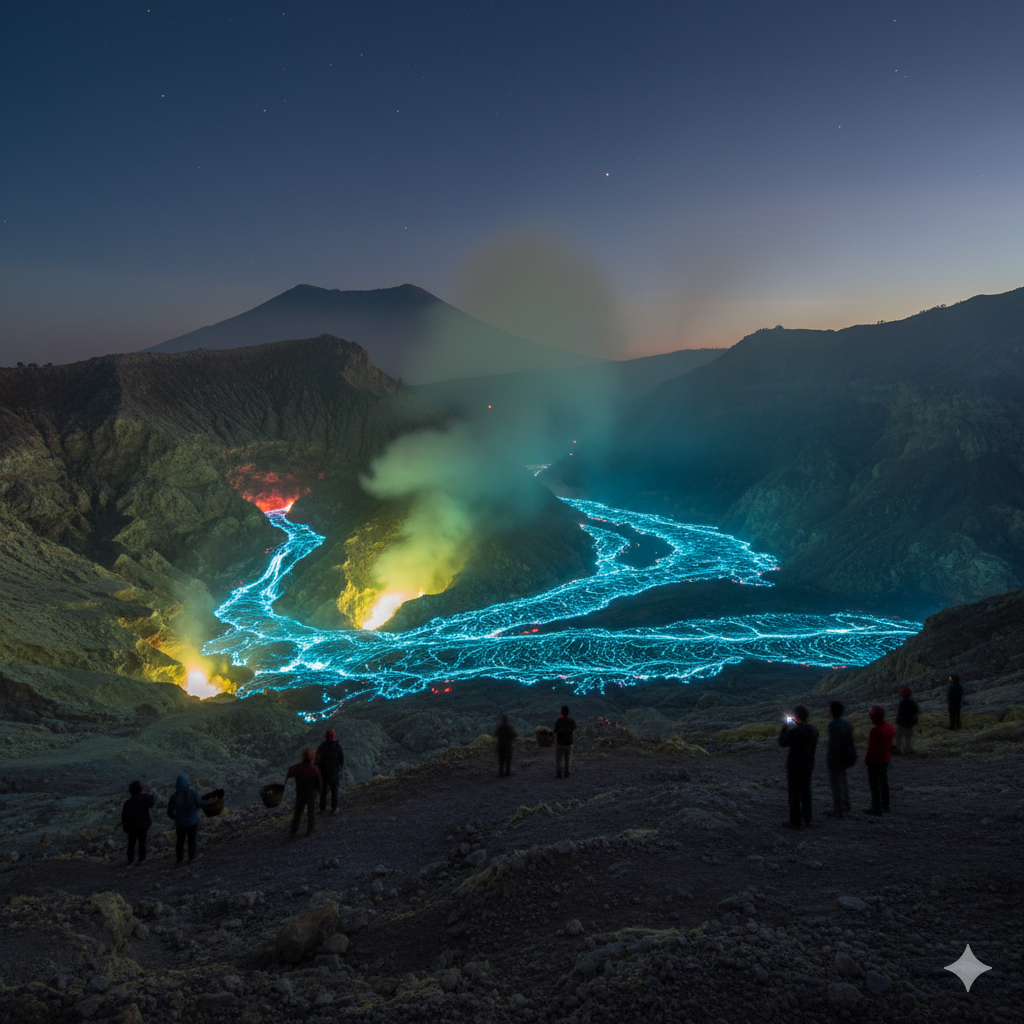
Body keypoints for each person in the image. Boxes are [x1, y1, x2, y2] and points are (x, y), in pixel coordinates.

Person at [778, 705, 819, 829]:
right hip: (808, 764)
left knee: (794, 793)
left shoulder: (795, 732)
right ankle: (807, 818)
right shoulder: (814, 730)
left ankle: (795, 821)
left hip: (795, 766)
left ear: (795, 718)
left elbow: (782, 742)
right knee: (806, 790)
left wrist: (785, 727)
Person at [166, 774, 207, 865]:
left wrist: (176, 817)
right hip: (192, 821)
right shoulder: (192, 792)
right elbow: (200, 804)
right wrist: (208, 804)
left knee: (180, 841)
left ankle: (179, 859)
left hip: (180, 824)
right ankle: (191, 858)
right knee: (192, 840)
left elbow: (169, 812)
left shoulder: (174, 797)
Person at [824, 701, 856, 818]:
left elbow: (834, 744)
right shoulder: (846, 723)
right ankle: (846, 804)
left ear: (832, 711)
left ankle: (838, 809)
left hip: (837, 758)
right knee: (843, 780)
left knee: (835, 783)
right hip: (846, 756)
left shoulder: (832, 725)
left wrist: (831, 759)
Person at [864, 704, 895, 815]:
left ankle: (876, 808)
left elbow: (872, 748)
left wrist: (867, 759)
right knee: (883, 782)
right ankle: (885, 806)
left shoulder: (876, 731)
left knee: (874, 785)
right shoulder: (889, 727)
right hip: (885, 758)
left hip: (876, 760)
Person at [286, 747, 322, 839]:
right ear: (312, 757)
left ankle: (293, 832)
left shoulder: (297, 768)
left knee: (298, 813)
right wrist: (320, 791)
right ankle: (309, 831)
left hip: (300, 793)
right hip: (311, 793)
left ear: (302, 756)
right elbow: (318, 783)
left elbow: (290, 773)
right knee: (311, 812)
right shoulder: (315, 769)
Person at [121, 780, 155, 866]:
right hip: (143, 826)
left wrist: (125, 828)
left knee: (131, 843)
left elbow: (124, 817)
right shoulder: (144, 798)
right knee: (142, 842)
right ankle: (141, 859)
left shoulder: (127, 803)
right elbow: (151, 803)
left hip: (132, 828)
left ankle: (130, 860)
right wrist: (151, 793)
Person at [314, 728, 345, 814]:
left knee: (323, 791)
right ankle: (334, 808)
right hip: (334, 773)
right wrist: (339, 769)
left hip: (324, 773)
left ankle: (322, 808)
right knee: (334, 790)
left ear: (325, 736)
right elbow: (341, 759)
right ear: (333, 736)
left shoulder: (322, 746)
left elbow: (317, 759)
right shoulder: (337, 746)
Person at [894, 685, 919, 754]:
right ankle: (908, 749)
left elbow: (900, 713)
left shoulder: (901, 703)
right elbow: (916, 712)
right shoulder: (913, 703)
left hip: (900, 722)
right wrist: (915, 720)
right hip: (909, 723)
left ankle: (899, 749)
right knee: (908, 736)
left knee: (899, 736)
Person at [553, 705, 576, 778]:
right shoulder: (572, 721)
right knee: (568, 758)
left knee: (559, 759)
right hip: (569, 742)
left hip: (560, 743)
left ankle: (559, 773)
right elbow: (574, 728)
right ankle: (567, 772)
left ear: (561, 713)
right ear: (568, 713)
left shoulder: (558, 721)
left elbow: (555, 731)